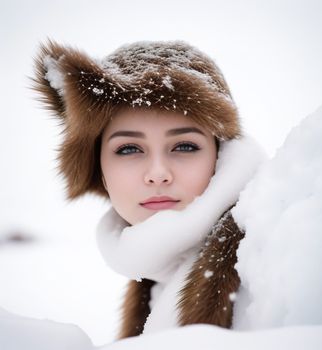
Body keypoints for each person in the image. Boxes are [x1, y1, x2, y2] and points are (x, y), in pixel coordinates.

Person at [33, 40, 265, 339]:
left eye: (184, 146)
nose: (158, 174)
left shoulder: (266, 263)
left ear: (220, 156)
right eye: (129, 148)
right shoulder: (156, 277)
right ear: (98, 168)